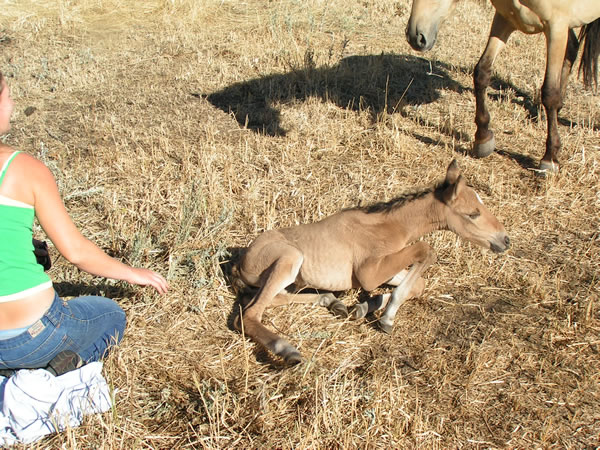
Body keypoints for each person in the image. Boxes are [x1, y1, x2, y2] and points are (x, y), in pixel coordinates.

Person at [0, 71, 169, 375]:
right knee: (109, 315)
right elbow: (75, 251)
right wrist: (132, 273)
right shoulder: (23, 169)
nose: (12, 104)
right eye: (7, 96)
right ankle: (47, 378)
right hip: (34, 336)